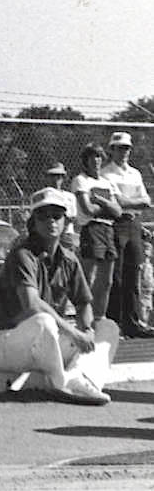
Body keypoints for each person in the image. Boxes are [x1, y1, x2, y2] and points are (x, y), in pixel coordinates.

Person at [0, 187, 119, 405]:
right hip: (6, 344)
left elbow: (84, 304)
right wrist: (75, 334)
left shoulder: (69, 259)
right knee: (43, 320)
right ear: (33, 221)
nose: (51, 221)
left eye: (56, 215)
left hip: (47, 344)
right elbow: (32, 304)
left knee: (108, 328)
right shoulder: (22, 255)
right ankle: (61, 385)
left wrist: (86, 330)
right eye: (42, 215)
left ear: (66, 220)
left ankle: (82, 379)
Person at [102, 131, 154, 339]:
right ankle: (114, 324)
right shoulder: (106, 174)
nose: (123, 151)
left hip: (134, 224)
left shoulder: (135, 174)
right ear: (111, 149)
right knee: (116, 275)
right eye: (119, 147)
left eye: (126, 148)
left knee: (133, 273)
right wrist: (131, 202)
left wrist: (127, 202)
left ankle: (132, 324)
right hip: (116, 224)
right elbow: (118, 202)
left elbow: (146, 200)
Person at [70, 144, 123, 322]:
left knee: (106, 281)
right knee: (88, 278)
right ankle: (84, 319)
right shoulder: (81, 180)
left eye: (99, 157)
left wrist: (100, 201)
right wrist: (107, 207)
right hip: (92, 229)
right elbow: (87, 209)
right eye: (92, 157)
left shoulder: (107, 183)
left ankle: (99, 318)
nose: (96, 161)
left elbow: (117, 212)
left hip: (108, 229)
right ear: (85, 161)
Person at [44, 163, 78, 250]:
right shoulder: (43, 195)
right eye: (52, 176)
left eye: (59, 176)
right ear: (47, 177)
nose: (55, 179)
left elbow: (73, 217)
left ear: (63, 178)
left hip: (66, 234)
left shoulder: (70, 196)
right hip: (47, 233)